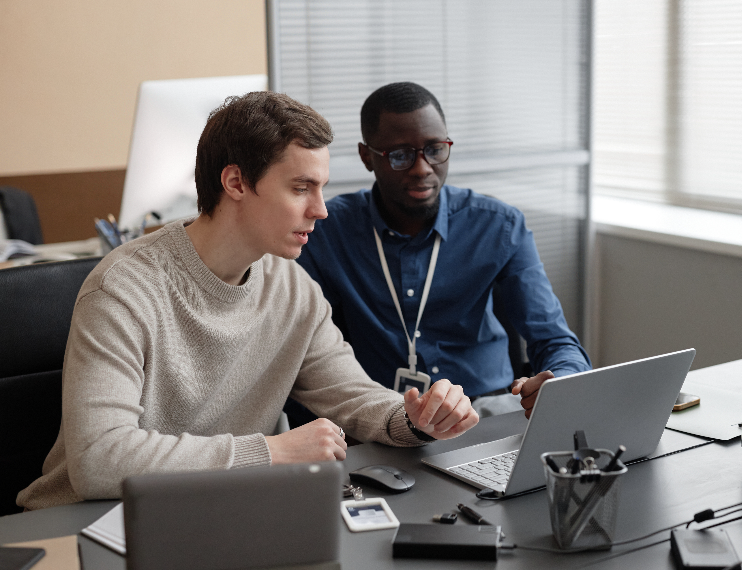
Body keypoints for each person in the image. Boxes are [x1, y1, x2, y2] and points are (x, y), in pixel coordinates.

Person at [18, 91, 478, 511]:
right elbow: (100, 459)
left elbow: (355, 399)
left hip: (214, 511)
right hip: (84, 521)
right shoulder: (123, 289)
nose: (320, 208)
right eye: (301, 188)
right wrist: (272, 452)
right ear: (236, 182)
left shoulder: (292, 289)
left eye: (320, 188)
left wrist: (416, 420)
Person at [296, 82, 591, 418]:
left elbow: (554, 340)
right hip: (380, 419)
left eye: (435, 149)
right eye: (400, 155)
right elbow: (306, 356)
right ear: (367, 157)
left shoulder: (499, 226)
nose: (422, 169)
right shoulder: (326, 232)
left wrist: (559, 383)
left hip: (487, 411)